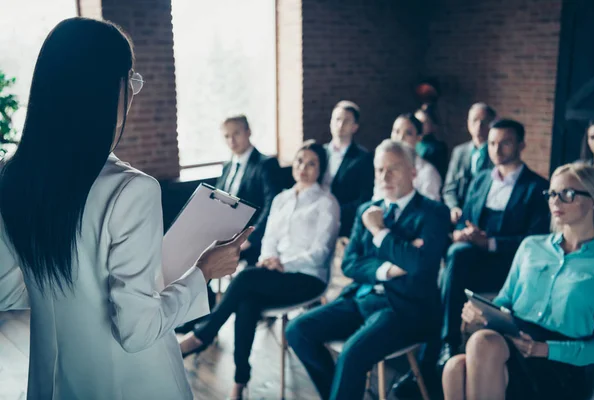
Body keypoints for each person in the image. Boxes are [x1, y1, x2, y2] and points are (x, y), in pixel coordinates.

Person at [0, 18, 248, 400]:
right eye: (130, 80)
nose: (133, 93)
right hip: (134, 384)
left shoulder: (11, 178)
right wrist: (204, 271)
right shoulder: (131, 189)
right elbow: (137, 331)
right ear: (106, 88)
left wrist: (64, 287)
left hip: (51, 384)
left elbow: (4, 291)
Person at [286, 139, 451, 400]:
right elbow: (350, 264)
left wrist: (379, 231)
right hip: (361, 298)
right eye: (379, 170)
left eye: (393, 169)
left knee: (352, 354)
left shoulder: (434, 213)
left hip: (405, 309)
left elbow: (419, 265)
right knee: (297, 330)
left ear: (413, 172)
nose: (384, 176)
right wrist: (389, 267)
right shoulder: (367, 210)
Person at [178, 140, 340, 400]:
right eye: (300, 161)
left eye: (312, 164)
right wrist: (268, 259)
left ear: (321, 168)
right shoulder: (281, 198)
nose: (303, 168)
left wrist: (283, 263)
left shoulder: (327, 203)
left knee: (245, 277)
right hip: (273, 274)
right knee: (247, 302)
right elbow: (269, 240)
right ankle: (240, 381)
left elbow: (320, 252)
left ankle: (203, 335)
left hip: (308, 277)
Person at [443, 163, 594, 400]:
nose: (555, 202)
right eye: (552, 194)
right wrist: (481, 312)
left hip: (561, 363)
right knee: (455, 368)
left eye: (567, 194)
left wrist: (543, 349)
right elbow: (504, 301)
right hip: (512, 344)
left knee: (479, 347)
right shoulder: (531, 246)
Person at [438, 119, 550, 368]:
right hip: (469, 263)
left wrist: (490, 243)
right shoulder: (480, 180)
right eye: (491, 143)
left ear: (522, 145)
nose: (496, 150)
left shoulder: (537, 187)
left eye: (505, 143)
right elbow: (463, 221)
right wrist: (461, 233)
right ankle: (443, 346)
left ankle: (444, 345)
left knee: (451, 267)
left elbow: (535, 242)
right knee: (455, 256)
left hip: (507, 268)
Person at [215, 115, 281, 264]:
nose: (231, 141)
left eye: (236, 133)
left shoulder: (266, 164)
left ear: (248, 132)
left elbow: (272, 206)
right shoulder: (227, 166)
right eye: (227, 136)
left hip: (252, 239)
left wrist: (251, 238)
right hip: (224, 236)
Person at [322, 100, 374, 237]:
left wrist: (333, 211)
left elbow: (364, 199)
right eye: (337, 119)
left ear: (355, 127)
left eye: (346, 121)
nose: (340, 125)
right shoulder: (320, 153)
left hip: (343, 223)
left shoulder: (363, 158)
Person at [443, 103, 497, 224]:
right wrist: (454, 207)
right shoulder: (459, 152)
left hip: (484, 216)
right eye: (474, 120)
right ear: (468, 123)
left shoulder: (497, 154)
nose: (478, 126)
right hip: (459, 215)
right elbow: (449, 188)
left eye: (484, 121)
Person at [387, 113, 442, 201]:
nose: (400, 138)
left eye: (408, 133)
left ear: (419, 138)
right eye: (396, 131)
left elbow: (430, 208)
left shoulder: (427, 172)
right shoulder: (384, 168)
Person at [415, 105, 449, 179]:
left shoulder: (438, 148)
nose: (419, 126)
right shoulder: (412, 144)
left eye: (424, 123)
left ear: (433, 125)